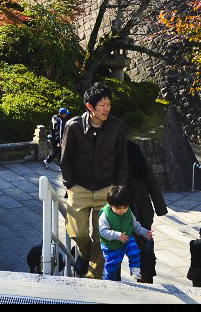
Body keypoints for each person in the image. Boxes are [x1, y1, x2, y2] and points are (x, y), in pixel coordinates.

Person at [60, 82, 129, 279]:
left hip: (106, 189)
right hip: (79, 188)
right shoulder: (73, 126)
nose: (106, 109)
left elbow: (123, 160)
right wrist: (70, 185)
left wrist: (118, 189)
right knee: (78, 233)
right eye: (102, 105)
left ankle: (92, 276)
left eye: (109, 104)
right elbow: (65, 160)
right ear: (90, 106)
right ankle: (83, 254)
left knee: (102, 237)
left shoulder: (117, 127)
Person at [125, 140, 167, 284]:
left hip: (141, 210)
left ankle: (145, 275)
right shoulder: (111, 155)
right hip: (122, 211)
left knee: (146, 244)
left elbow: (151, 182)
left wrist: (160, 207)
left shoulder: (136, 154)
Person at [98, 184, 153, 282]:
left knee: (134, 250)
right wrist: (118, 236)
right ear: (111, 205)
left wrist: (145, 232)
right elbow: (103, 231)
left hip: (127, 239)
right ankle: (109, 281)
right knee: (112, 265)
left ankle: (135, 270)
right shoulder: (105, 215)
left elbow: (136, 225)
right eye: (118, 208)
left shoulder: (128, 212)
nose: (122, 211)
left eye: (125, 207)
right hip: (111, 244)